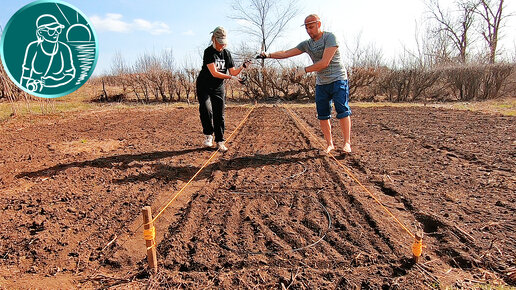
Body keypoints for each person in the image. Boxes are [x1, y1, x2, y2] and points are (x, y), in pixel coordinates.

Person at [260, 14, 351, 154]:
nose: (309, 30)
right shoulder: (307, 44)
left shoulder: (330, 38)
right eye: (307, 28)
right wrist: (268, 55)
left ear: (319, 24)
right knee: (323, 114)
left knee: (342, 110)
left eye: (311, 27)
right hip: (322, 83)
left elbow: (325, 62)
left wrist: (304, 70)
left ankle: (346, 143)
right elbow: (286, 53)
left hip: (338, 79)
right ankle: (329, 144)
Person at [196, 26, 249, 152]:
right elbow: (214, 73)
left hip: (218, 87)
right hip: (204, 85)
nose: (222, 46)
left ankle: (220, 141)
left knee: (219, 114)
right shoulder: (208, 52)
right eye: (220, 43)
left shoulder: (226, 53)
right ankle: (209, 136)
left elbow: (233, 72)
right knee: (206, 109)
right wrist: (231, 77)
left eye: (223, 43)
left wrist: (242, 67)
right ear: (214, 39)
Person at [21, 14, 75, 92]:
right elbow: (25, 73)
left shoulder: (64, 49)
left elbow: (70, 74)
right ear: (41, 32)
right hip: (35, 90)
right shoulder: (33, 47)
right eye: (51, 31)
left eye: (58, 30)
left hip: (58, 91)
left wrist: (55, 82)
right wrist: (25, 89)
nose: (56, 33)